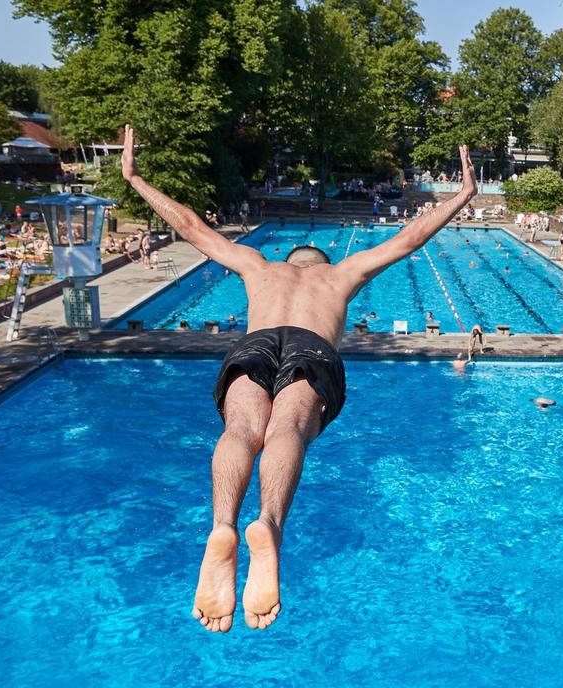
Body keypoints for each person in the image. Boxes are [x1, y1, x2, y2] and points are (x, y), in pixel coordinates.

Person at [121, 125, 479, 633]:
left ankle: (222, 526)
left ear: (288, 262)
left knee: (241, 432)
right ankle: (267, 526)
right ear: (322, 263)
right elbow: (411, 236)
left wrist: (135, 179)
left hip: (256, 342)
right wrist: (462, 194)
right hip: (313, 348)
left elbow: (194, 228)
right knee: (286, 430)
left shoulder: (257, 267)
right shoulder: (342, 274)